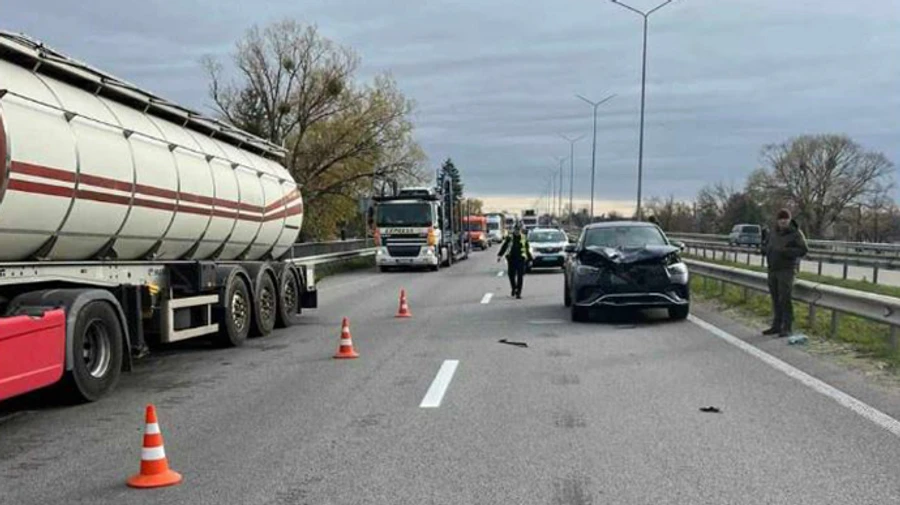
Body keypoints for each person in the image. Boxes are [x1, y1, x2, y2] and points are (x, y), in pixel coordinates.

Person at [762, 209, 808, 337]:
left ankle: (787, 327)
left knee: (785, 298)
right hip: (772, 269)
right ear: (777, 220)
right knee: (775, 298)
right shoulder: (772, 232)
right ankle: (776, 325)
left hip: (787, 269)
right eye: (781, 219)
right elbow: (766, 245)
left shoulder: (795, 233)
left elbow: (803, 249)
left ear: (789, 220)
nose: (783, 221)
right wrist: (765, 249)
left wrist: (786, 252)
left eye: (785, 219)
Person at [497, 223, 533, 299]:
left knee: (520, 276)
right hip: (511, 259)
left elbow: (527, 249)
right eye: (516, 230)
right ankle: (514, 288)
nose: (517, 231)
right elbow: (504, 246)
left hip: (521, 259)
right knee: (511, 275)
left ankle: (518, 293)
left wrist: (530, 259)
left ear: (521, 230)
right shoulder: (510, 237)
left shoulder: (524, 238)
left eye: (519, 230)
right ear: (514, 230)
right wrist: (500, 255)